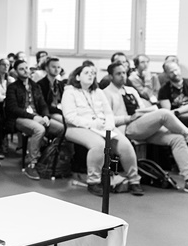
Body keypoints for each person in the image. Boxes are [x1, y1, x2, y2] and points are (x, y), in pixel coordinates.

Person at [103, 62, 188, 198]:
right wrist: (129, 118)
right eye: (118, 74)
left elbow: (141, 109)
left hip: (143, 126)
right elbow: (108, 119)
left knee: (177, 139)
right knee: (164, 113)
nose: (123, 76)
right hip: (127, 128)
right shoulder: (106, 93)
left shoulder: (131, 90)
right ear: (110, 76)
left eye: (124, 73)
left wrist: (148, 112)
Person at [61, 64, 143, 197]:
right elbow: (70, 117)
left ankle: (134, 180)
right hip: (76, 127)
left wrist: (109, 125)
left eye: (93, 73)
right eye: (86, 73)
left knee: (125, 145)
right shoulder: (70, 92)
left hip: (102, 126)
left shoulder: (98, 92)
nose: (90, 75)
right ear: (77, 77)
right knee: (99, 145)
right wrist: (92, 124)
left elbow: (108, 113)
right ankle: (93, 182)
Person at [5, 59, 63, 180]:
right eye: (21, 69)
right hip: (20, 118)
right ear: (16, 71)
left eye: (26, 68)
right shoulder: (12, 87)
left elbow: (43, 104)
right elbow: (13, 108)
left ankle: (48, 157)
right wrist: (34, 117)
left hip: (37, 116)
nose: (25, 71)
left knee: (61, 129)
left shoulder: (35, 86)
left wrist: (46, 116)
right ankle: (31, 163)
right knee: (39, 129)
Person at [37, 57, 65, 122]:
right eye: (53, 67)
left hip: (60, 110)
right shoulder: (40, 84)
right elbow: (43, 105)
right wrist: (60, 111)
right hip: (49, 112)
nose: (56, 70)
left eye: (58, 67)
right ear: (47, 68)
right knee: (65, 121)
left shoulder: (60, 84)